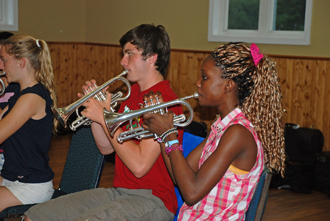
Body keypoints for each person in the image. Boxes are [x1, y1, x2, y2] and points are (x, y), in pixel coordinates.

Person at [25, 24, 183, 221]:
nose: (122, 62)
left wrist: (104, 116)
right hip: (118, 192)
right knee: (35, 215)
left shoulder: (163, 101)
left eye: (129, 54)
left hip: (151, 200)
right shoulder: (131, 94)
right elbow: (106, 148)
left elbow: (140, 166)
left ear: (152, 57)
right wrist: (98, 117)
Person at [142, 42, 286, 220]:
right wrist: (161, 133)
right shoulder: (221, 127)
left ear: (228, 85)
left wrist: (168, 135)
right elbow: (178, 177)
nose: (198, 82)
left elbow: (192, 193)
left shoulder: (238, 133)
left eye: (205, 77)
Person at [0, 34, 58, 212]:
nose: (1, 66)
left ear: (22, 62)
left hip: (30, 185)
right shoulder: (20, 95)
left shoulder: (32, 97)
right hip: (12, 177)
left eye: (4, 60)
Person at [0, 31, 20, 173]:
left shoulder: (20, 88)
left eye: (4, 59)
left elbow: (7, 126)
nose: (1, 65)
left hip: (11, 157)